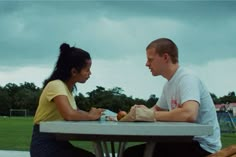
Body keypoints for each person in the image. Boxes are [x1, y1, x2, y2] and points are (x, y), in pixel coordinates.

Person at [122, 38, 222, 157]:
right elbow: (157, 110)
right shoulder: (169, 83)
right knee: (132, 153)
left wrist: (150, 115)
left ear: (165, 57)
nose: (147, 64)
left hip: (202, 146)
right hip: (186, 142)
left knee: (132, 154)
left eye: (150, 59)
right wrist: (143, 111)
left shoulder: (187, 78)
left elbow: (189, 114)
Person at [30, 43, 104, 157]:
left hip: (58, 143)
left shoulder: (66, 89)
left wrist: (95, 114)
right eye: (87, 70)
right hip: (45, 145)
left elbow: (76, 111)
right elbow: (69, 114)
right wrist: (90, 116)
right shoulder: (56, 85)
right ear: (74, 72)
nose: (90, 73)